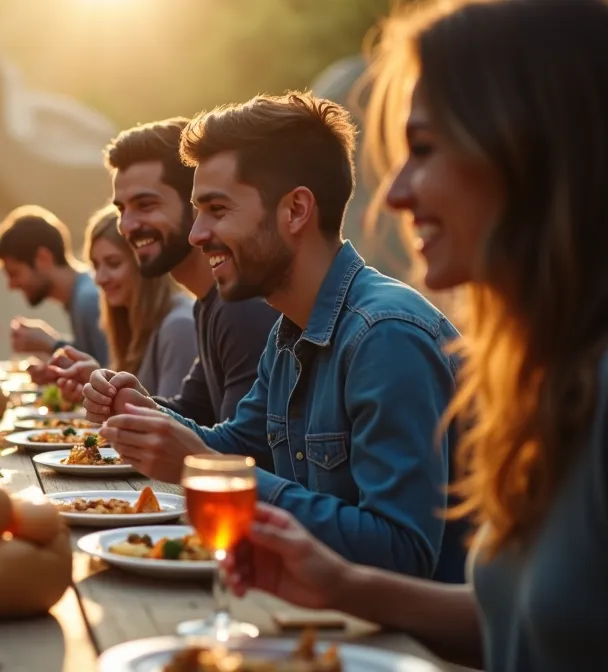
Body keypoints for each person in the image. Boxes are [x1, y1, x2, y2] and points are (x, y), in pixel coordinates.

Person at [224, 1, 608, 668]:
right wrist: (342, 585)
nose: (395, 194)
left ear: (533, 148)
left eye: (424, 150)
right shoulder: (546, 380)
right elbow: (526, 620)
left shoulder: (388, 332)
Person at [89, 92, 467, 582]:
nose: (197, 234)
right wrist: (147, 414)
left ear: (295, 210)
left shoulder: (385, 337)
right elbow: (237, 445)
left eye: (216, 209)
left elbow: (401, 552)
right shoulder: (290, 329)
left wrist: (203, 467)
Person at [53, 119, 279, 425]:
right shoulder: (208, 304)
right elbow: (192, 411)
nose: (127, 226)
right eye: (121, 209)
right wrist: (115, 396)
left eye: (145, 205)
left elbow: (235, 448)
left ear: (196, 203)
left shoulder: (239, 307)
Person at [83, 205, 197, 397]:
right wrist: (91, 382)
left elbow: (168, 415)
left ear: (143, 262)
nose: (99, 278)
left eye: (113, 263)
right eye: (95, 265)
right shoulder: (131, 321)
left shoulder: (178, 326)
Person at [0, 204, 111, 369]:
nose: (11, 285)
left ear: (43, 258)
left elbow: (110, 373)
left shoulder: (88, 299)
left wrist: (52, 345)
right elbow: (91, 355)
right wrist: (48, 350)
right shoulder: (78, 296)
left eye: (14, 273)